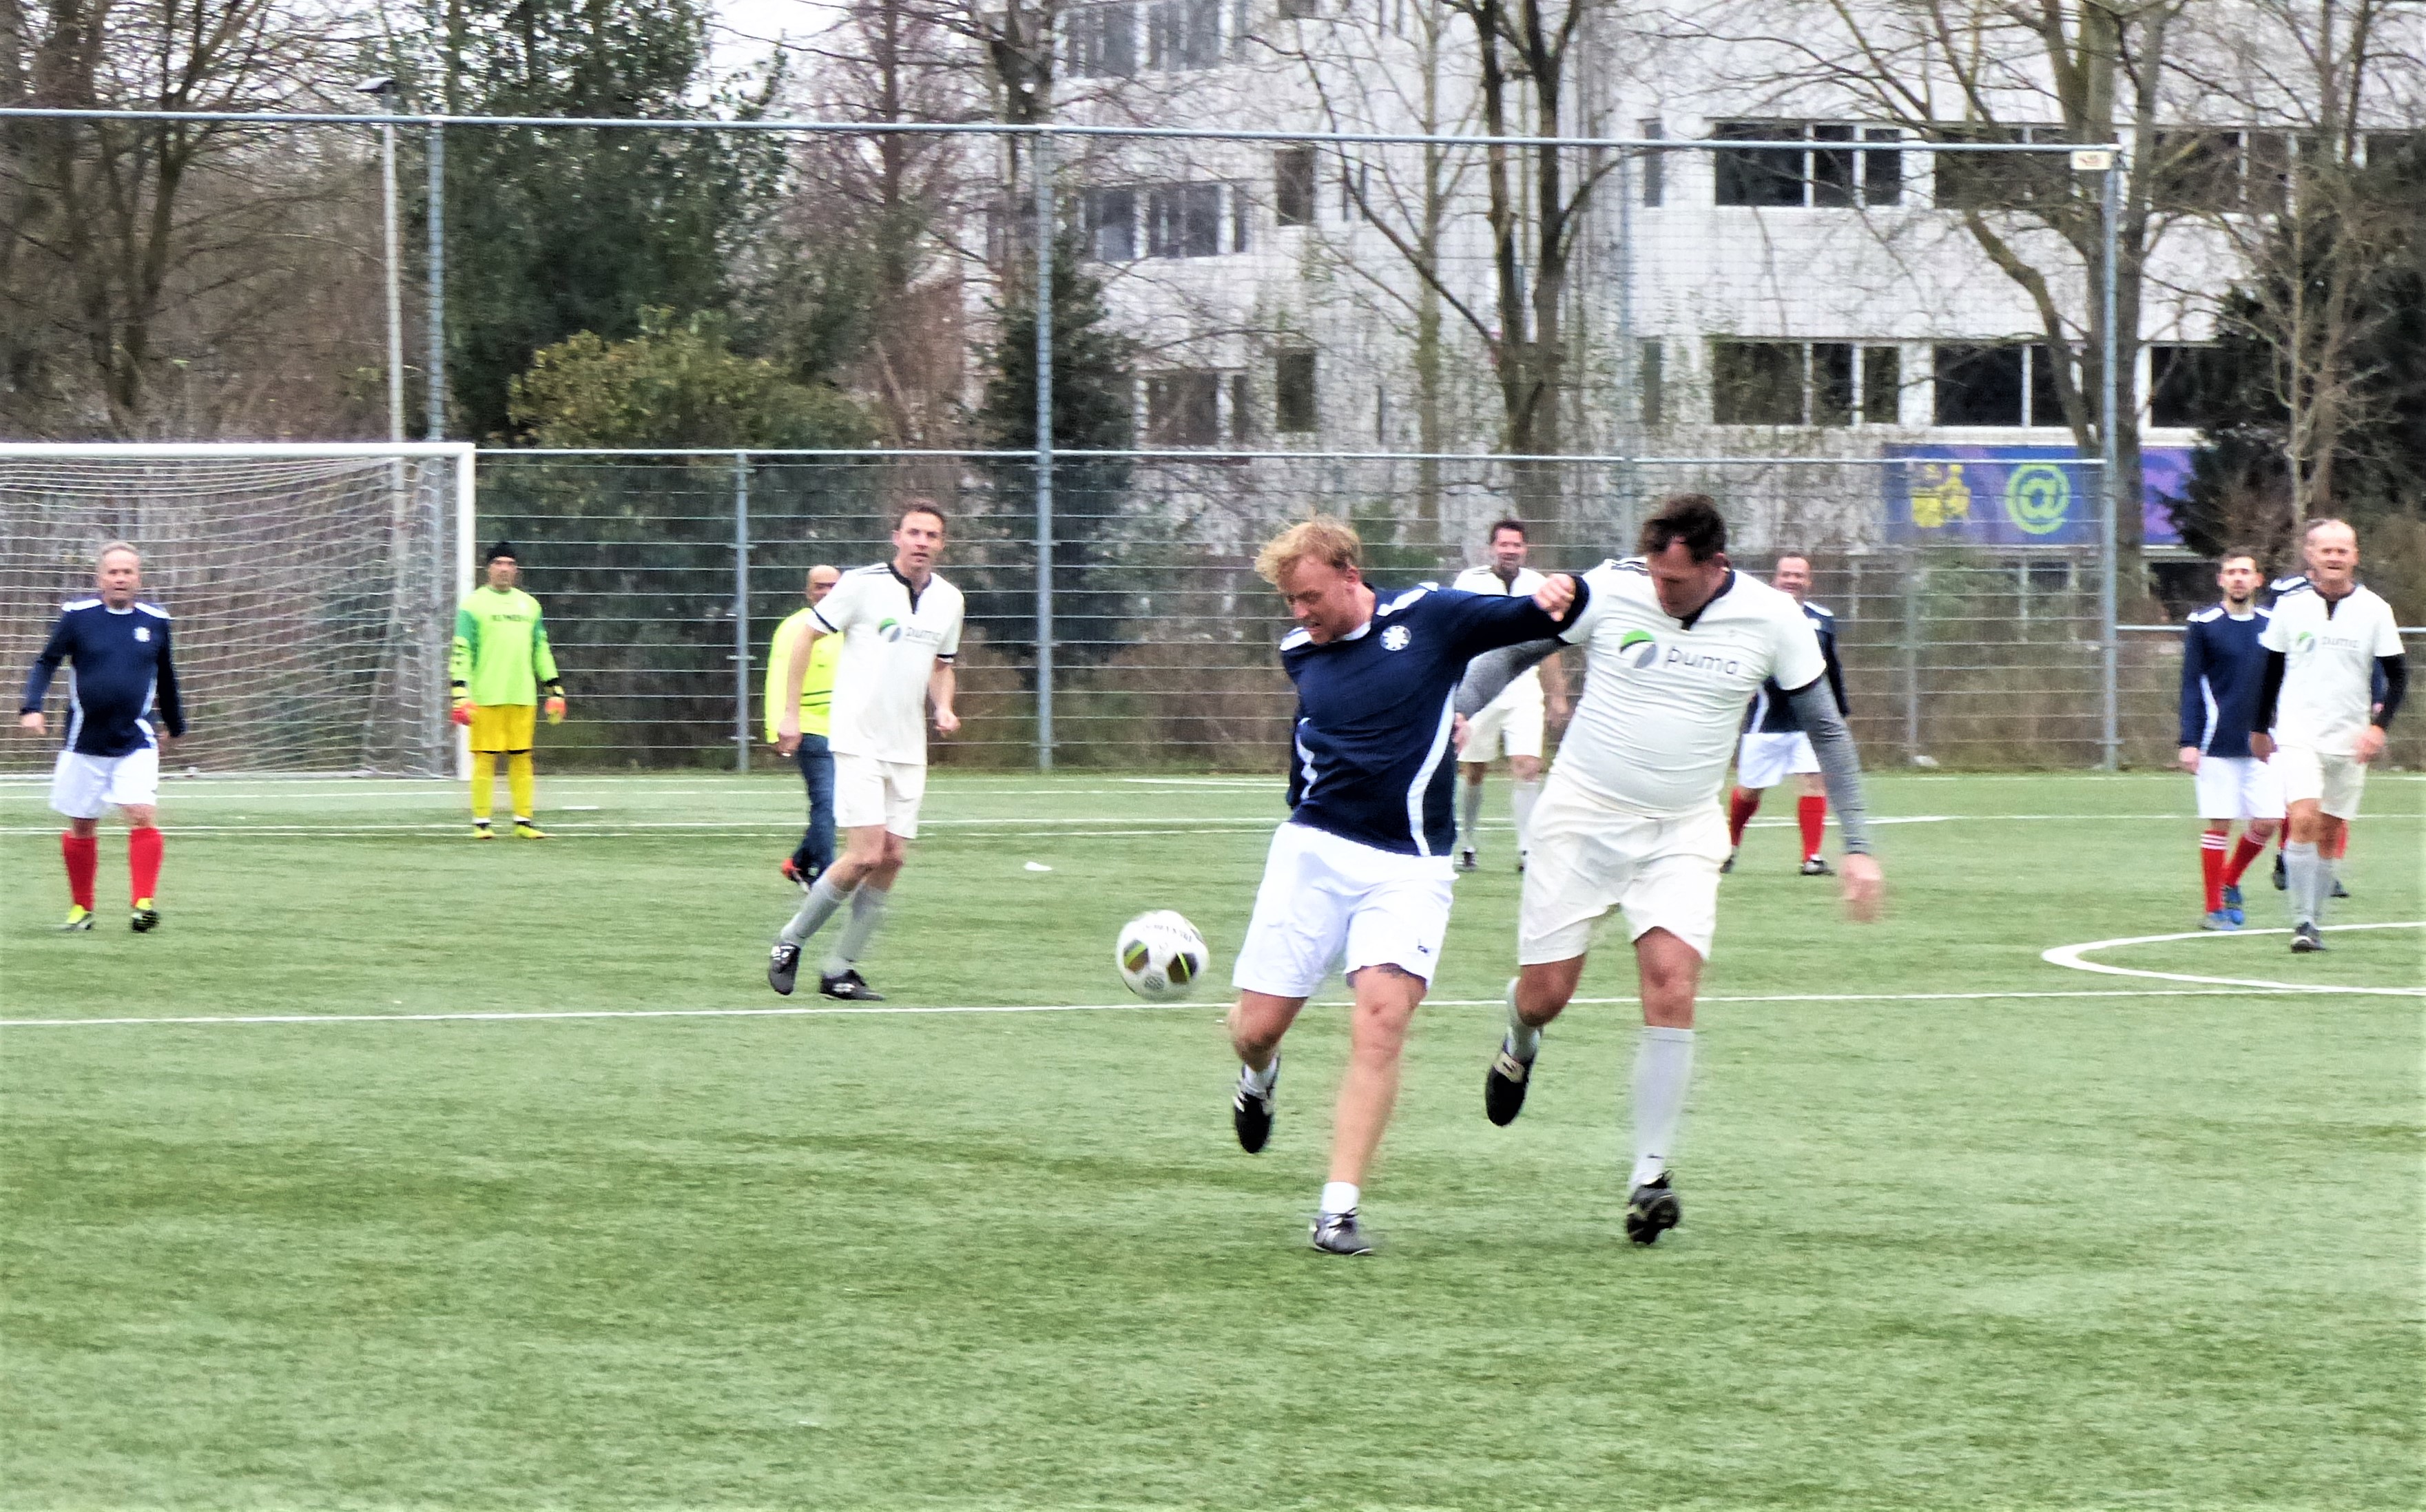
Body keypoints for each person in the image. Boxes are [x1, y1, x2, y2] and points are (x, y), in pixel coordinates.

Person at [1456, 495, 1883, 1245]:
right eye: (1655, 576)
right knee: (1547, 994)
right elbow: (1510, 655)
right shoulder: (1610, 587)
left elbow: (1826, 727)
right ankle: (1520, 1037)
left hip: (1683, 830)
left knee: (1672, 986)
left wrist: (1859, 843)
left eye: (1676, 581)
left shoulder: (1772, 617)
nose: (1662, 590)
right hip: (1581, 818)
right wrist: (1459, 709)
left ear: (1718, 565)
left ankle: (1649, 1178)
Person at [1225, 517, 1579, 1256]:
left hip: (1409, 866)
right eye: (1291, 601)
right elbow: (1332, 736)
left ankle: (1338, 1209)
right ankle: (1258, 1077)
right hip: (1314, 853)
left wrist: (1560, 593)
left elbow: (1527, 623)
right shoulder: (1300, 653)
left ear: (1350, 575)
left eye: (1310, 596)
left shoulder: (1430, 615)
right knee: (1254, 1029)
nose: (1301, 613)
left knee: (1381, 1018)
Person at [769, 501, 964, 1002]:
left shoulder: (949, 599)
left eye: (932, 535)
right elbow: (806, 638)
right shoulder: (861, 584)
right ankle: (791, 939)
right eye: (914, 532)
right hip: (857, 740)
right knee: (864, 855)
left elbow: (942, 665)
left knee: (893, 857)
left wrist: (944, 706)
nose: (922, 542)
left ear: (942, 544)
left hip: (908, 747)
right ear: (896, 536)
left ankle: (840, 969)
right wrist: (790, 714)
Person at [2249, 518, 2407, 953]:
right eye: (2326, 550)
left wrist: (2378, 728)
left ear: (2355, 556)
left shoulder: (2375, 609)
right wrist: (2260, 728)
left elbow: (2398, 677)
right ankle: (2301, 922)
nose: (2334, 557)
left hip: (2350, 738)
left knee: (2330, 832)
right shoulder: (2290, 607)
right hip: (2298, 732)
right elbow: (2270, 671)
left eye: (2342, 550)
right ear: (2310, 555)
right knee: (2303, 818)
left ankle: (2315, 920)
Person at [17, 541, 185, 932]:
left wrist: (175, 724)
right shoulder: (78, 617)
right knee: (82, 824)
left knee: (141, 813)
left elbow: (167, 676)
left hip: (135, 738)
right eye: (113, 572)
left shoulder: (156, 621)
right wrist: (31, 706)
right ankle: (82, 910)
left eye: (128, 572)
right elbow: (46, 661)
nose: (121, 578)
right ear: (100, 578)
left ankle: (143, 904)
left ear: (139, 578)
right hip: (84, 741)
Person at [1451, 519, 1569, 873]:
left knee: (1527, 766)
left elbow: (1550, 644)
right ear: (1492, 548)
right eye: (1504, 545)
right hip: (1479, 686)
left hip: (1523, 686)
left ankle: (1528, 851)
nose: (1510, 551)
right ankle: (1467, 844)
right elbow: (1454, 637)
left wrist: (1557, 695)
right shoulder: (1469, 582)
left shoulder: (1539, 586)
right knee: (1474, 770)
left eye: (1516, 545)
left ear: (1525, 549)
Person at [1721, 552, 1847, 876]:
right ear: (1775, 579)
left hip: (1809, 720)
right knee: (1749, 789)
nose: (1792, 580)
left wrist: (1838, 711)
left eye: (1799, 575)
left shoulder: (1822, 619)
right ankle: (1727, 849)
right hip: (1766, 720)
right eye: (1786, 574)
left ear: (1809, 581)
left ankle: (1812, 858)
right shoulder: (1755, 617)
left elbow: (1832, 670)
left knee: (1813, 781)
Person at [2176, 550, 2282, 931]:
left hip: (2263, 742)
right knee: (2220, 824)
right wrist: (2189, 741)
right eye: (2231, 572)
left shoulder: (2273, 624)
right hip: (2216, 742)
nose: (2238, 578)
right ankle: (2213, 909)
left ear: (2258, 580)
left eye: (2245, 572)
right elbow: (2191, 684)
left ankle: (2231, 879)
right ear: (2221, 580)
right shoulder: (2203, 624)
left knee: (2269, 820)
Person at [450, 542, 566, 839]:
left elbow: (540, 649)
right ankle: (482, 823)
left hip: (522, 695)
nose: (504, 569)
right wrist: (459, 691)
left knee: (522, 757)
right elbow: (462, 650)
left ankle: (523, 822)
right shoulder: (473, 605)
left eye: (510, 564)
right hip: (486, 697)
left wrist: (554, 687)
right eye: (499, 563)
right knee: (485, 758)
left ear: (516, 570)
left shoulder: (530, 606)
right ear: (488, 568)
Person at [767, 564, 844, 889]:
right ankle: (827, 878)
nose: (826, 592)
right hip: (812, 728)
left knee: (841, 805)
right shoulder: (795, 628)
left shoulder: (854, 624)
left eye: (833, 586)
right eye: (819, 586)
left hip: (851, 730)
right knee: (827, 803)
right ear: (808, 592)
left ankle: (799, 863)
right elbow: (777, 679)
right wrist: (779, 726)